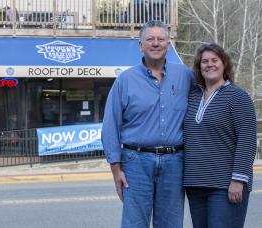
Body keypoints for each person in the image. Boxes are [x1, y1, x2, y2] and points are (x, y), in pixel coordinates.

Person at [101, 20, 193, 228]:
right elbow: (110, 127)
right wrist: (116, 169)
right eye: (150, 39)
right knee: (134, 223)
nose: (156, 43)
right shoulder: (125, 80)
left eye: (161, 39)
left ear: (168, 45)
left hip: (174, 163)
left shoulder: (186, 76)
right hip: (135, 162)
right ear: (140, 45)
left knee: (170, 224)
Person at [183, 43, 257, 228]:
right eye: (204, 61)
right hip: (195, 185)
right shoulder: (192, 96)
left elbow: (247, 140)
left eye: (214, 60)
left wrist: (238, 180)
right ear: (199, 67)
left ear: (224, 64)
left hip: (225, 185)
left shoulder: (238, 97)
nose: (209, 64)